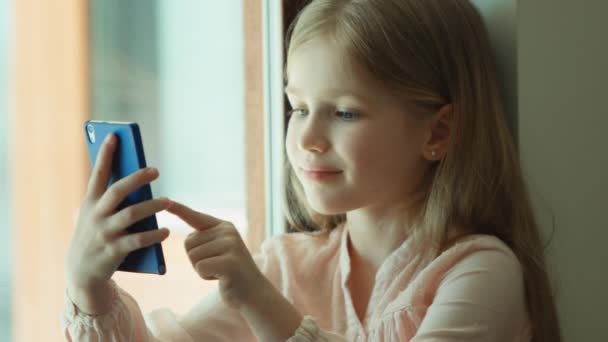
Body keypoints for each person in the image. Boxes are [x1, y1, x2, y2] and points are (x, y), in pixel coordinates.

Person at [62, 0, 563, 341]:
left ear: (437, 133)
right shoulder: (286, 267)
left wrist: (261, 304)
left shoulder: (480, 272)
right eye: (298, 107)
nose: (306, 138)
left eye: (344, 112)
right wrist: (88, 286)